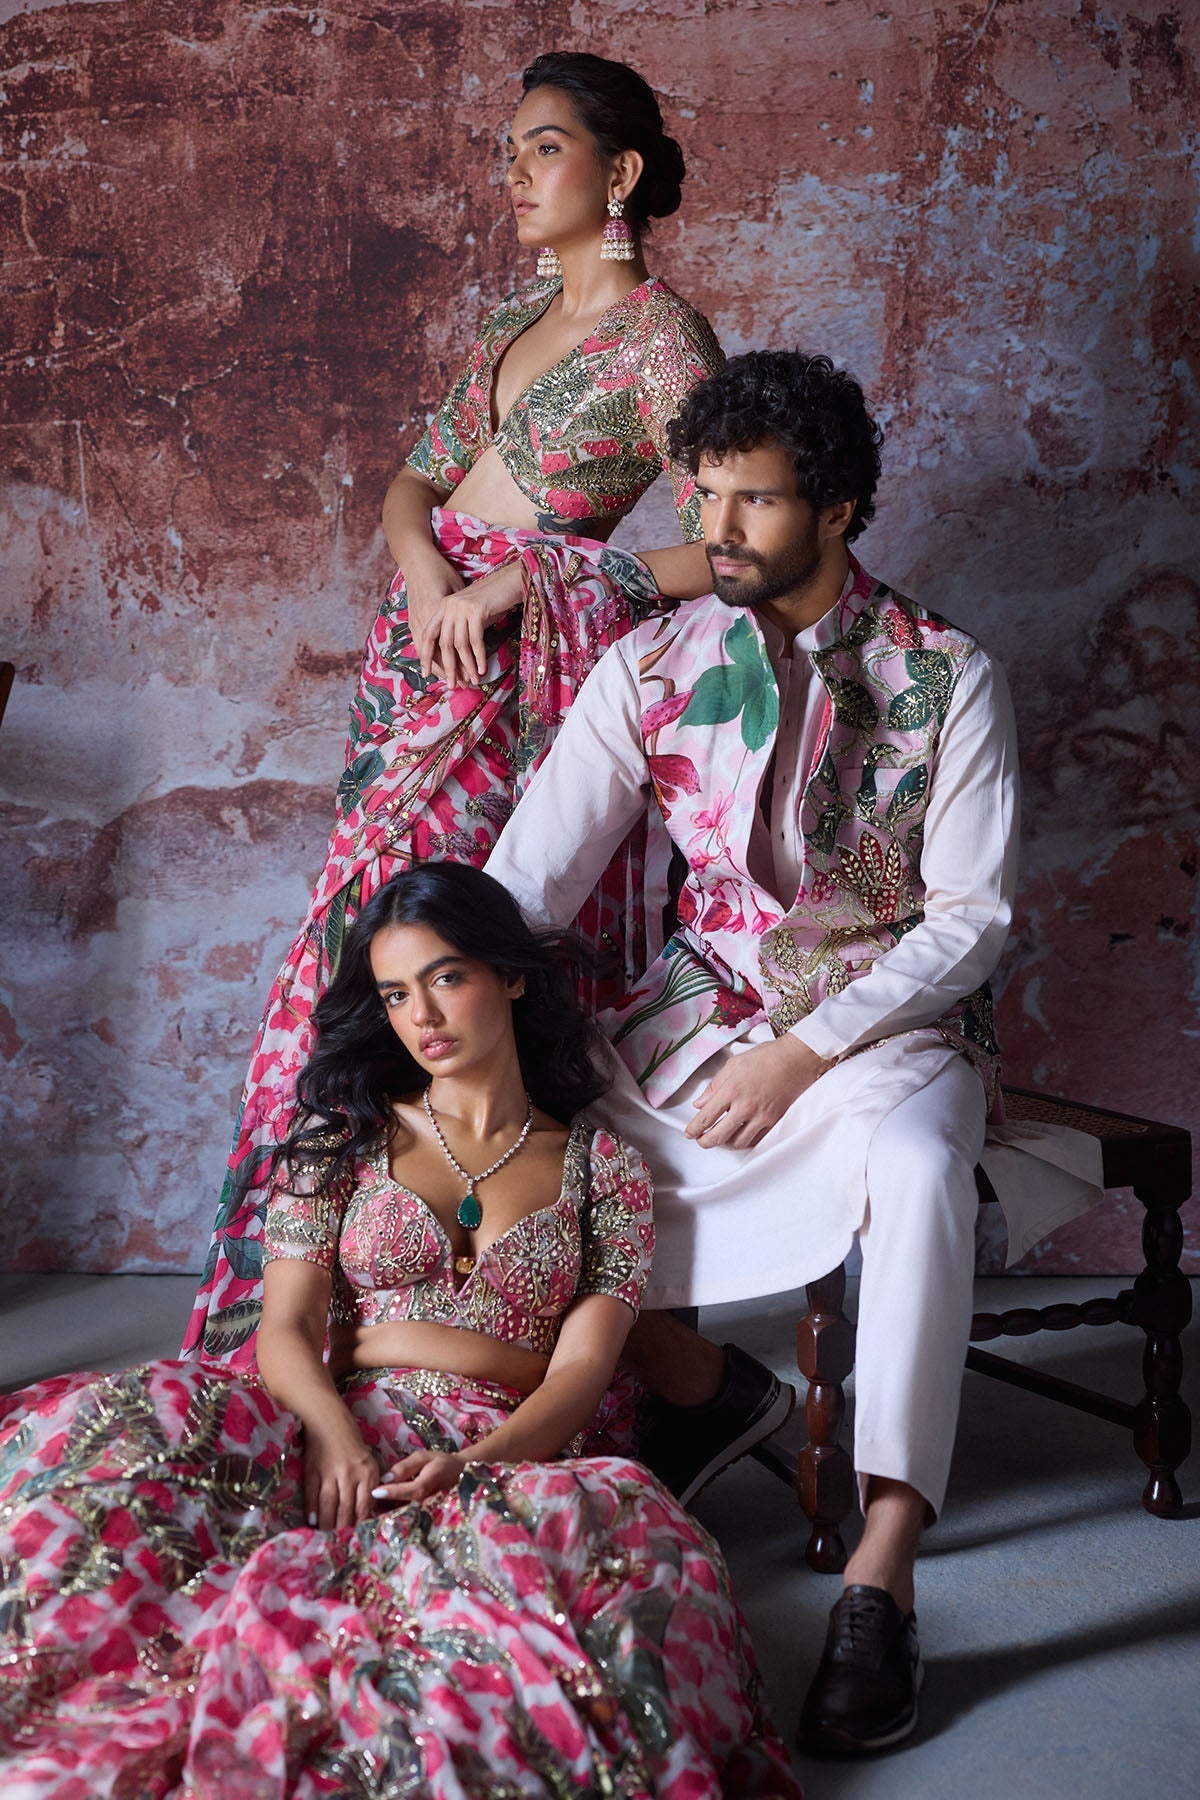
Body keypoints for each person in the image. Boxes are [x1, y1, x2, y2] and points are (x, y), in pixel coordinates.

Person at [484, 349, 1093, 1756]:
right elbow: (529, 880)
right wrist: (436, 981)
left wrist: (806, 1051)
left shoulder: (948, 675)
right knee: (528, 1159)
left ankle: (883, 1571)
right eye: (705, 496)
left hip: (887, 1028)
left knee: (922, 1168)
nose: (718, 530)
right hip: (690, 1020)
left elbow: (972, 919)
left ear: (839, 509)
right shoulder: (655, 665)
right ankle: (709, 1396)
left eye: (753, 500)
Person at [0, 865, 801, 1798]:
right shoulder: (342, 1140)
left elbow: (580, 1372)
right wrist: (333, 1434)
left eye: (446, 977)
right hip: (339, 1415)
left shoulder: (604, 1170)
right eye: (394, 994)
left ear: (510, 976)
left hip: (505, 1446)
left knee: (581, 1609)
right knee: (127, 1458)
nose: (421, 1015)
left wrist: (476, 1464)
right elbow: (287, 1327)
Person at [185, 51, 724, 1368]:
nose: (515, 176)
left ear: (621, 172)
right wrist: (430, 573)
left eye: (544, 148)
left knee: (439, 960)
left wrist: (529, 581)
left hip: (510, 678)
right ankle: (310, 1321)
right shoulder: (510, 320)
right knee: (354, 958)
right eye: (511, 151)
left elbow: (733, 540)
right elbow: (411, 486)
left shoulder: (664, 343)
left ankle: (450, 1324)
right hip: (416, 662)